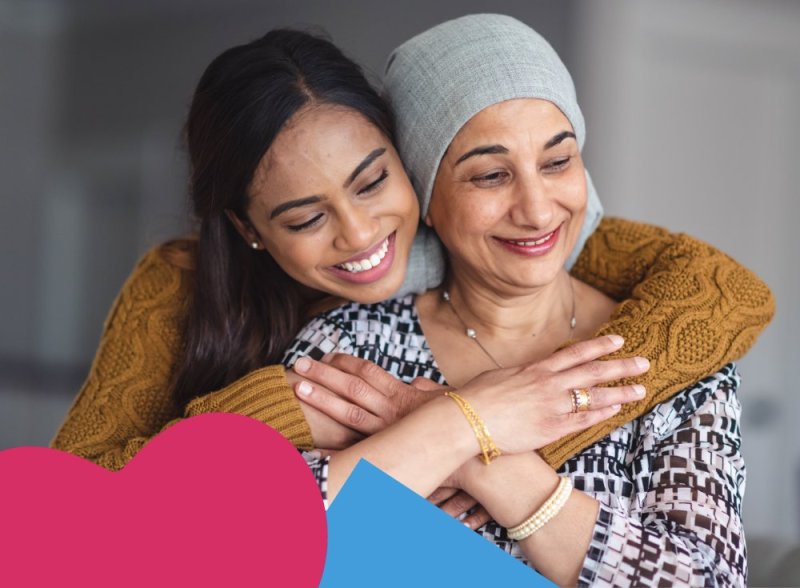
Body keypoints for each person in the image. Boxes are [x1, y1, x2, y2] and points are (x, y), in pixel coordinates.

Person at [50, 25, 772, 491]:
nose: (362, 232)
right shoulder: (178, 285)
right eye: (305, 217)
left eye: (373, 181)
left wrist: (528, 426)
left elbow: (726, 293)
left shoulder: (512, 235)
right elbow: (60, 513)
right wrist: (287, 407)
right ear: (248, 227)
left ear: (414, 165)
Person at [282, 15, 766, 586]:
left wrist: (485, 465)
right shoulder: (348, 344)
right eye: (490, 175)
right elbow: (262, 547)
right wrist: (467, 426)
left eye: (558, 161)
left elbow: (709, 580)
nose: (537, 210)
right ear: (425, 199)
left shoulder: (669, 356)